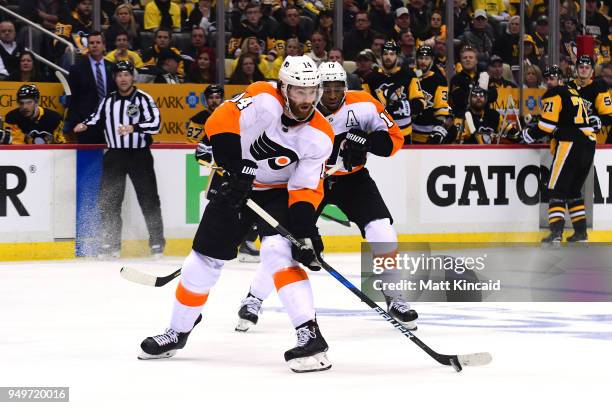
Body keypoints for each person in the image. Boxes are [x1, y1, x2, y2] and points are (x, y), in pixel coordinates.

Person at [138, 55, 335, 374]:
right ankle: (177, 331)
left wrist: (304, 231)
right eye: (300, 92)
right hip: (235, 184)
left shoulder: (320, 135)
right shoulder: (262, 97)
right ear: (284, 88)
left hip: (278, 194)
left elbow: (305, 189)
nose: (307, 100)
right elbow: (220, 120)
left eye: (313, 92)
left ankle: (310, 336)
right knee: (201, 262)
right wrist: (234, 168)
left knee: (279, 252)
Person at [235, 61, 419, 333]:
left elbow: (395, 140)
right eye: (327, 88)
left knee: (382, 229)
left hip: (352, 179)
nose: (332, 94)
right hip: (308, 182)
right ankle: (254, 298)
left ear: (346, 86)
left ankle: (394, 296)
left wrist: (367, 141)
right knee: (287, 244)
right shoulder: (298, 108)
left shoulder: (364, 105)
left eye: (338, 87)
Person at [73, 61, 165, 258]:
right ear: (115, 79)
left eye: (126, 74)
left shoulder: (143, 99)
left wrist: (134, 127)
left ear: (133, 77)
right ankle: (112, 244)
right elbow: (96, 117)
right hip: (115, 155)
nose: (123, 78)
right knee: (109, 201)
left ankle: (157, 242)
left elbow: (156, 124)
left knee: (149, 200)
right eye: (119, 75)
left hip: (139, 155)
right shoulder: (108, 100)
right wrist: (84, 124)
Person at [522, 65, 596, 243]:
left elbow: (546, 127)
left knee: (556, 188)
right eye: (547, 78)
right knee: (572, 191)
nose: (549, 81)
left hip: (570, 144)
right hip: (588, 144)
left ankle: (556, 233)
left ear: (560, 79)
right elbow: (564, 120)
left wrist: (528, 134)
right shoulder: (573, 92)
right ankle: (580, 233)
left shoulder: (553, 94)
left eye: (553, 78)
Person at [188, 84, 261, 263]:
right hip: (224, 178)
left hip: (246, 178)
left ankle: (246, 244)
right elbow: (201, 153)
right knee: (223, 211)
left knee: (253, 210)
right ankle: (215, 245)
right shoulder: (221, 126)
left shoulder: (253, 128)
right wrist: (216, 164)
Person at [364, 41, 426, 144]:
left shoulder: (409, 75)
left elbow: (421, 101)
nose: (388, 57)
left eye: (392, 54)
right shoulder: (370, 78)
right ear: (381, 56)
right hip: (379, 131)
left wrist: (404, 106)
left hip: (403, 132)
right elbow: (364, 105)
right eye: (385, 54)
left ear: (397, 56)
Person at [66, 31, 116, 144]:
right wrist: (76, 122)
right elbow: (72, 98)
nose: (94, 45)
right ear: (87, 46)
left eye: (98, 42)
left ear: (104, 45)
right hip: (86, 124)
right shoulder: (77, 69)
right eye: (91, 43)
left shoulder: (113, 68)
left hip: (109, 123)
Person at [449, 86, 519, 144]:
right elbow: (457, 143)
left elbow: (510, 131)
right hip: (471, 157)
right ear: (469, 100)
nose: (478, 98)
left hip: (492, 156)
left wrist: (520, 134)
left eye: (481, 95)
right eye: (474, 95)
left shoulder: (494, 115)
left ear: (486, 99)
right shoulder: (463, 117)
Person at [567, 55, 612, 145]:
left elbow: (609, 116)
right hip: (570, 137)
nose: (584, 70)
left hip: (594, 139)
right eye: (581, 67)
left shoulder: (599, 88)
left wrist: (598, 119)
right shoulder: (567, 87)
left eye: (587, 67)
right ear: (576, 69)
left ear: (592, 71)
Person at [411, 45, 450, 144]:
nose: (423, 62)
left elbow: (441, 108)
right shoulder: (409, 76)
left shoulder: (439, 80)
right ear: (416, 59)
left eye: (426, 58)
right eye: (420, 58)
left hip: (430, 133)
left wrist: (439, 127)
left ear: (432, 60)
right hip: (410, 132)